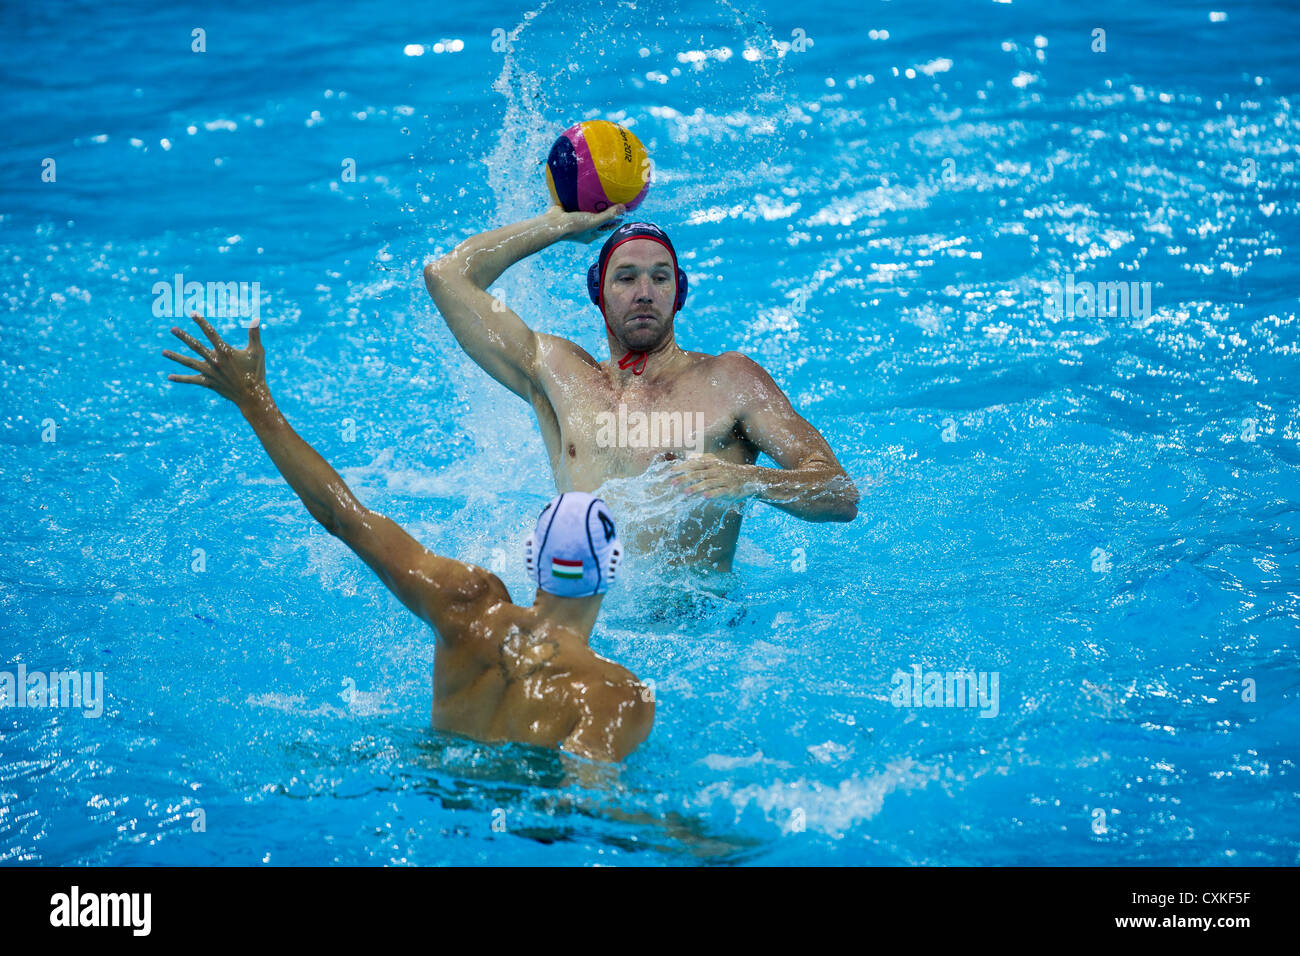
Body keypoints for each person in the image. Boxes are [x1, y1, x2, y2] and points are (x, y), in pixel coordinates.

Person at [163, 313, 653, 763]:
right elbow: (583, 803)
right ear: (611, 569)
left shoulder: (465, 604)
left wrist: (255, 399)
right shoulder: (615, 692)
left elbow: (342, 516)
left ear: (533, 558)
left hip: (432, 783)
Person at [423, 205, 859, 571]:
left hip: (700, 632)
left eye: (661, 277)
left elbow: (840, 495)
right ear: (599, 290)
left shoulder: (730, 380)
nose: (645, 293)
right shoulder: (557, 374)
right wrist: (559, 225)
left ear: (679, 292)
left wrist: (746, 480)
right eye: (626, 278)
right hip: (589, 629)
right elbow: (447, 276)